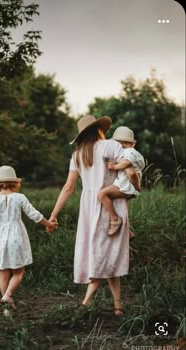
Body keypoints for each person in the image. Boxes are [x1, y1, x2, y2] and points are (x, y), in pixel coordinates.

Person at [48, 115, 134, 315]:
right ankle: (99, 305)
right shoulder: (112, 146)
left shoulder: (77, 155)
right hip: (113, 203)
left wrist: (53, 214)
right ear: (98, 129)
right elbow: (130, 166)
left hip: (90, 208)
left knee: (102, 253)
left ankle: (113, 305)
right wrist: (134, 187)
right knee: (108, 254)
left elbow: (68, 188)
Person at [0, 165, 57, 310]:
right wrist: (49, 224)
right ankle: (8, 295)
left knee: (3, 273)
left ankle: (6, 308)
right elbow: (33, 214)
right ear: (15, 183)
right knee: (18, 272)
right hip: (16, 237)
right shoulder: (19, 197)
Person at [98, 126, 145, 236]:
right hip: (127, 186)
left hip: (126, 186)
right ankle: (127, 232)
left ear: (120, 143)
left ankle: (115, 220)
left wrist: (114, 167)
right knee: (118, 205)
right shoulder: (134, 152)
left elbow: (127, 165)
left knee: (102, 195)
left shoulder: (129, 152)